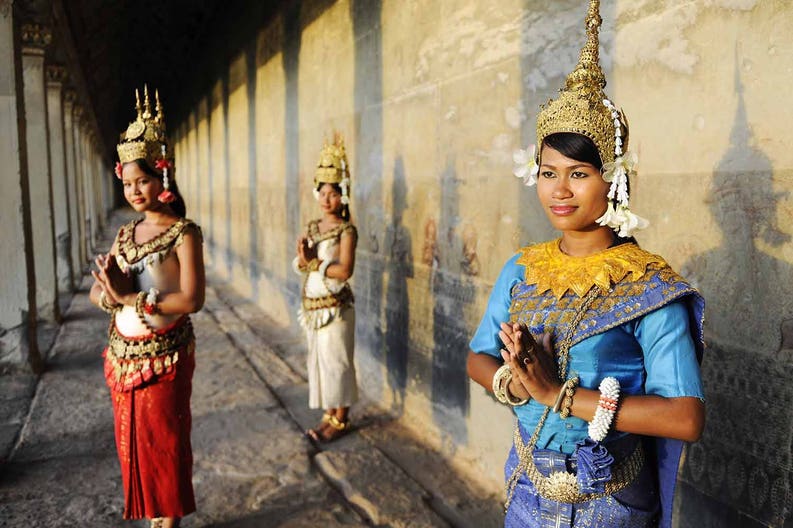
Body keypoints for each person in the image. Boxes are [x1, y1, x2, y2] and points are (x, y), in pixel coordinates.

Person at [466, 2, 705, 527]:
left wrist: (558, 394)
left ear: (613, 178)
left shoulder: (647, 285)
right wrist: (513, 382)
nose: (559, 190)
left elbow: (685, 417)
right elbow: (477, 357)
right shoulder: (522, 270)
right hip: (527, 486)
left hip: (609, 502)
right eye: (548, 172)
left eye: (578, 173)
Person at [90, 87, 204, 528]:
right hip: (122, 356)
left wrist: (129, 298)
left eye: (143, 181)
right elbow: (98, 295)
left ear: (163, 177)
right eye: (128, 183)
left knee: (164, 440)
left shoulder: (183, 232)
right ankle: (152, 510)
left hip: (165, 355)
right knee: (132, 443)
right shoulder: (125, 233)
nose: (135, 191)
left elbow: (192, 300)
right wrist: (107, 291)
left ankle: (168, 517)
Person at [293, 136, 359, 443]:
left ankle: (341, 420)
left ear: (343, 196)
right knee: (320, 362)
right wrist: (304, 260)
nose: (327, 199)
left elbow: (344, 271)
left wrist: (315, 262)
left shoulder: (347, 230)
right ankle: (328, 414)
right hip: (313, 308)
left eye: (333, 193)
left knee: (338, 363)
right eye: (322, 192)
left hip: (337, 308)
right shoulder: (312, 227)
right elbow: (303, 263)